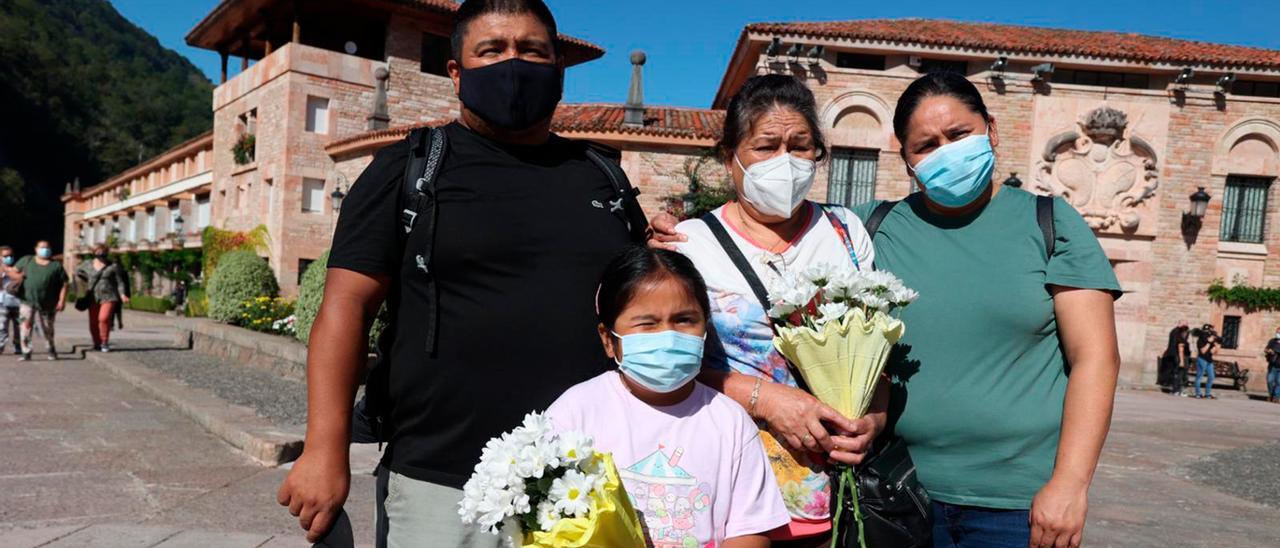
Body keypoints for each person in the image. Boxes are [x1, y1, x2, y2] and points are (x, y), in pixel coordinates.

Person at [275, 1, 646, 545]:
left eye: (532, 50)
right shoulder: (407, 171)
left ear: (557, 67)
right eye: (492, 50)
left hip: (589, 475)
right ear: (456, 72)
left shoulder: (603, 178)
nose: (513, 64)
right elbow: (345, 309)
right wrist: (324, 450)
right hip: (443, 483)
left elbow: (641, 304)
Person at [664, 74, 882, 544]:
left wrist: (875, 420)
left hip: (836, 497)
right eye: (766, 146)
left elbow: (877, 346)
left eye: (800, 145)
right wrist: (766, 398)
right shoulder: (688, 244)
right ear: (730, 156)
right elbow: (663, 362)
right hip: (731, 492)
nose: (785, 161)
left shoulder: (846, 232)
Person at [546, 246, 790, 547]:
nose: (667, 335)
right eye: (647, 323)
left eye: (684, 319)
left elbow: (750, 532)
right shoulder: (576, 412)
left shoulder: (730, 422)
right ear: (609, 340)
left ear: (705, 329)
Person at [14, 240, 69, 361]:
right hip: (27, 300)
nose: (45, 250)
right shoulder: (27, 260)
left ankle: (51, 349)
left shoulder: (56, 265)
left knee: (48, 328)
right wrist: (16, 277)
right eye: (42, 247)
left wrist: (62, 300)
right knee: (25, 327)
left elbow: (65, 283)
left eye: (47, 248)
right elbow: (13, 272)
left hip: (48, 302)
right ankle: (26, 352)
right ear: (36, 249)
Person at [76, 244, 130, 352]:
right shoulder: (87, 264)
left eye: (103, 251)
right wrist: (82, 285)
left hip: (109, 295)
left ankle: (104, 342)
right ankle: (97, 342)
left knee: (103, 318)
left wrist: (123, 294)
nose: (101, 253)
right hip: (92, 297)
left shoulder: (113, 266)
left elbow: (120, 282)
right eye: (98, 251)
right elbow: (77, 272)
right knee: (93, 322)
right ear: (94, 252)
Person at [1, 245, 22, 355]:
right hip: (2, 302)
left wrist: (10, 272)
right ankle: (0, 345)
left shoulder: (18, 268)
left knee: (19, 327)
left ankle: (18, 346)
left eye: (10, 255)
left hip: (18, 302)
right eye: (5, 256)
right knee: (2, 326)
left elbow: (21, 280)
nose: (8, 258)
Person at [1161, 321, 1190, 396]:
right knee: (1179, 373)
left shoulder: (1173, 331)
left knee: (1175, 373)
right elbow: (1180, 348)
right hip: (1177, 355)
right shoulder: (1179, 334)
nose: (1187, 328)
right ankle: (1177, 390)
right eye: (1186, 325)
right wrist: (1182, 361)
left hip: (1172, 355)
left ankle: (1174, 390)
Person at [1194, 324, 1219, 400]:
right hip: (1202, 359)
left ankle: (1207, 394)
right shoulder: (1200, 340)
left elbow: (1215, 352)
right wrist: (1208, 342)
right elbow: (1203, 351)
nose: (1209, 334)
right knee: (1199, 376)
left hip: (1209, 360)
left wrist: (1216, 344)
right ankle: (1198, 393)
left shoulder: (1210, 341)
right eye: (1209, 332)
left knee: (1211, 377)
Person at [1264, 327, 1280, 403]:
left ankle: (1276, 397)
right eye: (1277, 332)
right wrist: (1268, 350)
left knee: (1279, 382)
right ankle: (1271, 394)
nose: (1278, 334)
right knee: (1270, 380)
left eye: (1279, 333)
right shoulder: (1272, 341)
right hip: (1272, 364)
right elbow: (1266, 349)